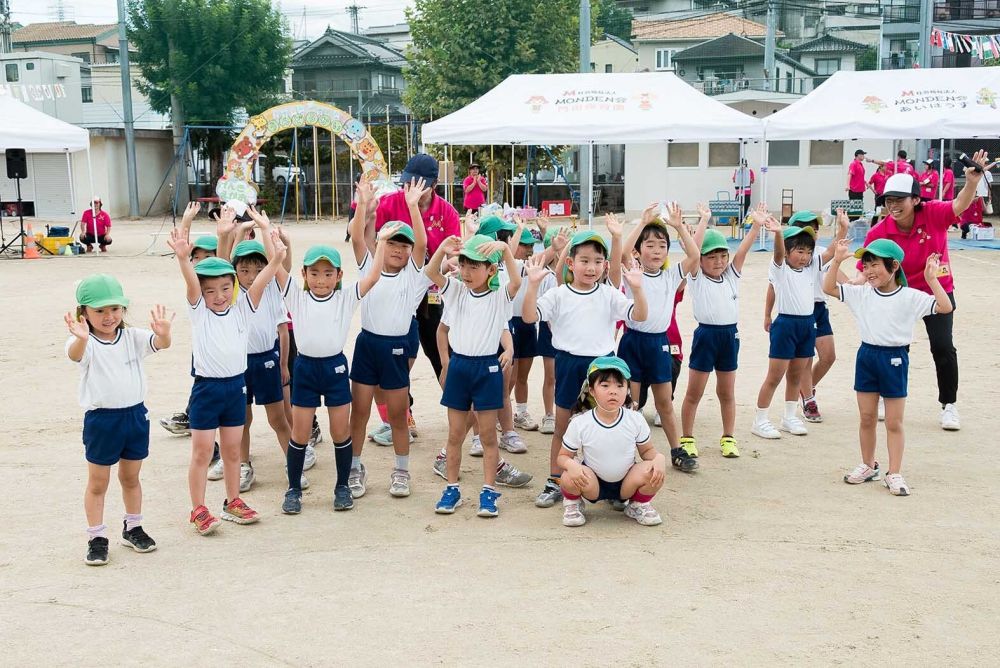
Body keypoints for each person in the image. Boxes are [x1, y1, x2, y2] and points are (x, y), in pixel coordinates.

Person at [164, 224, 286, 535]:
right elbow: (191, 284)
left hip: (236, 387)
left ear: (233, 287)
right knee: (202, 452)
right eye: (209, 290)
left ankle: (233, 501)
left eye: (223, 288)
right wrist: (182, 259)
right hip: (207, 388)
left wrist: (276, 260)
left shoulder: (243, 308)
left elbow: (262, 280)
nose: (217, 296)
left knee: (233, 450)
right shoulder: (199, 311)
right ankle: (198, 508)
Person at [276, 222, 399, 514]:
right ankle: (293, 488)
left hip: (335, 369)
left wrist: (380, 243)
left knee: (340, 430)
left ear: (339, 275)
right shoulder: (296, 296)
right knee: (300, 432)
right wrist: (271, 237)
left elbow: (372, 277)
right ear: (303, 275)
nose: (321, 280)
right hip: (305, 368)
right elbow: (278, 271)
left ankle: (342, 485)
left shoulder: (345, 297)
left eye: (328, 273)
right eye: (314, 273)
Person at [861, 151, 989, 431]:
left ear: (916, 199)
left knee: (943, 347)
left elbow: (959, 204)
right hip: (900, 294)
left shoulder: (933, 213)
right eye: (888, 200)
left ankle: (949, 405)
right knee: (893, 348)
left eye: (899, 199)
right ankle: (886, 396)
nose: (892, 205)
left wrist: (970, 183)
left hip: (937, 291)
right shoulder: (879, 232)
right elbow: (867, 270)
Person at [521, 230, 648, 508]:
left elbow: (639, 316)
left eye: (598, 261)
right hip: (569, 363)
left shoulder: (609, 294)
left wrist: (637, 289)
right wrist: (531, 286)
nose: (591, 267)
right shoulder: (558, 294)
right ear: (571, 263)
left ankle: (614, 485)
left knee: (612, 427)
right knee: (563, 427)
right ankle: (556, 481)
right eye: (585, 260)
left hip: (604, 367)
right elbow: (530, 316)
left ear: (605, 265)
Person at [824, 239, 953, 496]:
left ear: (894, 266)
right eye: (866, 265)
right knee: (867, 417)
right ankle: (868, 464)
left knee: (893, 422)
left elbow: (945, 306)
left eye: (875, 265)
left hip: (894, 359)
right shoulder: (861, 293)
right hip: (867, 357)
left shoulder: (909, 296)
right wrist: (837, 260)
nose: (869, 271)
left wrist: (931, 279)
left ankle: (894, 472)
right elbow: (828, 288)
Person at [66, 275, 172, 565]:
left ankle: (133, 527)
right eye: (99, 311)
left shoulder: (133, 337)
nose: (108, 316)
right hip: (102, 420)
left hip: (135, 416)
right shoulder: (83, 342)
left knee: (130, 477)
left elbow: (161, 343)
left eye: (114, 309)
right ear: (83, 314)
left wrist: (163, 333)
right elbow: (75, 356)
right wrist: (81, 338)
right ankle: (97, 536)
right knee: (98, 482)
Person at [348, 178, 432, 500]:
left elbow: (423, 243)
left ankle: (401, 470)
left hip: (396, 348)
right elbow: (358, 236)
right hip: (367, 346)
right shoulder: (369, 267)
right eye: (391, 243)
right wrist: (362, 205)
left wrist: (412, 206)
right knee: (360, 411)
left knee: (397, 413)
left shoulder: (413, 275)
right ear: (382, 245)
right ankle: (355, 467)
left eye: (403, 245)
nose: (397, 249)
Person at [427, 234, 520, 517]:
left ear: (491, 270)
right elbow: (431, 273)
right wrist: (443, 249)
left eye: (475, 266)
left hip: (487, 369)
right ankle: (452, 488)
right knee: (455, 435)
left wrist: (504, 250)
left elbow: (515, 282)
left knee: (489, 436)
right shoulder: (455, 290)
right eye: (464, 265)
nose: (467, 272)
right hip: (459, 367)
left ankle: (489, 491)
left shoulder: (498, 296)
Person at [616, 202, 703, 474]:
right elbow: (619, 255)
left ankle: (677, 449)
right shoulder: (633, 273)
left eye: (662, 245)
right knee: (631, 403)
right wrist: (641, 223)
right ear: (639, 250)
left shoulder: (670, 275)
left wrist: (678, 227)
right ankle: (626, 455)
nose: (656, 250)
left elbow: (694, 255)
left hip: (659, 344)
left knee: (664, 402)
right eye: (650, 245)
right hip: (632, 342)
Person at [679, 206, 763, 460]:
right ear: (701, 259)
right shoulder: (697, 277)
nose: (718, 262)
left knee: (726, 392)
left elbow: (744, 249)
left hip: (730, 337)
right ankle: (687, 439)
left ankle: (728, 438)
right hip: (706, 337)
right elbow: (693, 252)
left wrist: (756, 226)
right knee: (695, 392)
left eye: (722, 256)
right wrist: (704, 220)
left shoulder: (731, 276)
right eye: (711, 257)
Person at [375, 153, 461, 392]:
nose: (410, 188)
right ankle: (403, 413)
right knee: (397, 351)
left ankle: (458, 403)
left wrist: (447, 265)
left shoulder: (448, 212)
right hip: (395, 289)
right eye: (407, 182)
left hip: (430, 289)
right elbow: (373, 243)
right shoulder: (388, 204)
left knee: (439, 348)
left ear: (434, 185)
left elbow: (453, 253)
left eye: (418, 184)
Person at [753, 216, 837, 439]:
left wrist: (844, 229)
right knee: (775, 376)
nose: (805, 257)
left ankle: (789, 417)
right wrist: (779, 233)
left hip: (807, 325)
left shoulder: (811, 268)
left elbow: (829, 252)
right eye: (799, 251)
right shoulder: (780, 270)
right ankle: (760, 419)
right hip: (785, 326)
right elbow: (778, 254)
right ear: (789, 251)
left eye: (808, 252)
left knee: (796, 375)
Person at [558, 357, 666, 528]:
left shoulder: (635, 419)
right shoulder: (580, 422)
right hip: (591, 483)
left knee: (653, 470)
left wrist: (659, 458)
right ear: (592, 390)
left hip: (627, 483)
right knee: (567, 476)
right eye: (605, 385)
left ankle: (637, 504)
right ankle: (573, 503)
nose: (613, 391)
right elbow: (563, 457)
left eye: (619, 385)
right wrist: (572, 466)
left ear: (628, 389)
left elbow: (647, 452)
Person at [227, 236, 293, 495]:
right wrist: (232, 234)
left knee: (278, 418)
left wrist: (284, 365)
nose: (251, 276)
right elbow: (223, 259)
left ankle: (293, 463)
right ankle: (244, 465)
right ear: (235, 272)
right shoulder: (229, 294)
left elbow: (283, 331)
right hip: (239, 366)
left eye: (258, 269)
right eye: (244, 270)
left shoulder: (272, 291)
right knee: (242, 419)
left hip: (268, 360)